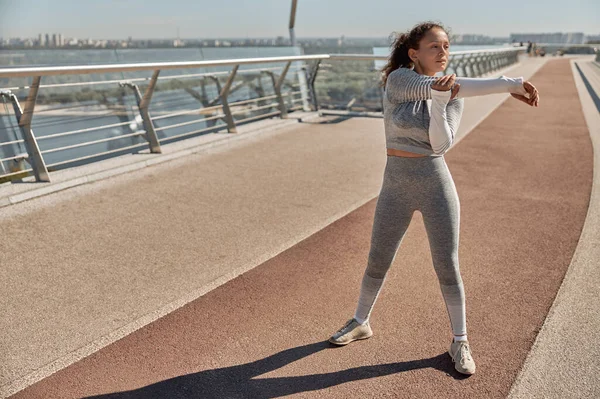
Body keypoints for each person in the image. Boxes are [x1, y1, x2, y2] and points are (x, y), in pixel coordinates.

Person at [327, 21, 539, 376]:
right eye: (434, 47)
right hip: (395, 182)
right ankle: (360, 321)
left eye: (446, 47)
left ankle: (460, 341)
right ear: (414, 53)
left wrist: (441, 102)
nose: (443, 53)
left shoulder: (451, 95)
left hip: (435, 182)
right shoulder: (399, 80)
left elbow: (440, 145)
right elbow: (445, 87)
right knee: (378, 257)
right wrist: (510, 85)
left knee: (447, 265)